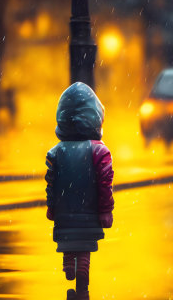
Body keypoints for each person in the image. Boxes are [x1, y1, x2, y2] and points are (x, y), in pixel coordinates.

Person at [45, 82, 114, 295]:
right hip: (89, 213)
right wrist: (105, 209)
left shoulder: (56, 152)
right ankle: (82, 268)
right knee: (84, 244)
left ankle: (68, 264)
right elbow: (105, 183)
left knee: (68, 240)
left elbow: (51, 183)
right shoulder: (98, 151)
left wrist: (52, 207)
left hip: (64, 213)